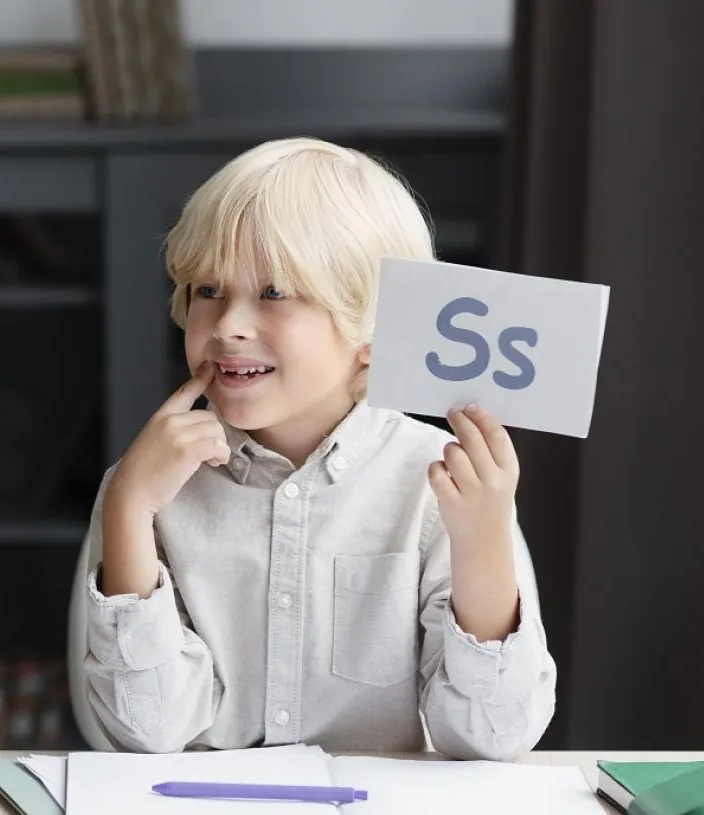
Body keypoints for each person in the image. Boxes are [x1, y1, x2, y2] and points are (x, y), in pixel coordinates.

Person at [78, 137, 557, 761]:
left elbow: (494, 737)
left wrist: (483, 540)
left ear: (373, 327)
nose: (227, 326)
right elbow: (146, 731)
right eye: (207, 290)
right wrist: (128, 509)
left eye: (275, 293)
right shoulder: (148, 484)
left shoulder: (442, 487)